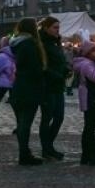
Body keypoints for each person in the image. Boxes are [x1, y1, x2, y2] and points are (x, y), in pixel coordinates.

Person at [8, 19, 45, 165]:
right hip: (30, 87)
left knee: (22, 122)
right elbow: (35, 68)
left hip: (18, 87)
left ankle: (24, 152)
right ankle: (24, 154)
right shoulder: (30, 44)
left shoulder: (16, 43)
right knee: (25, 123)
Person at [72, 41, 95, 166]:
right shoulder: (87, 64)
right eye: (94, 51)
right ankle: (91, 155)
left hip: (89, 97)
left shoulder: (88, 63)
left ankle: (87, 154)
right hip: (90, 98)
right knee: (90, 127)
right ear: (87, 52)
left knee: (89, 126)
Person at [38, 15, 69, 160]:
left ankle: (49, 145)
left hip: (58, 85)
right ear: (46, 28)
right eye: (55, 27)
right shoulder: (41, 43)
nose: (58, 30)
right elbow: (42, 66)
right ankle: (46, 148)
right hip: (47, 86)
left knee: (59, 117)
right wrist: (56, 74)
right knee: (47, 118)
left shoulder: (56, 43)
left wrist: (66, 69)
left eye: (58, 27)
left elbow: (60, 61)